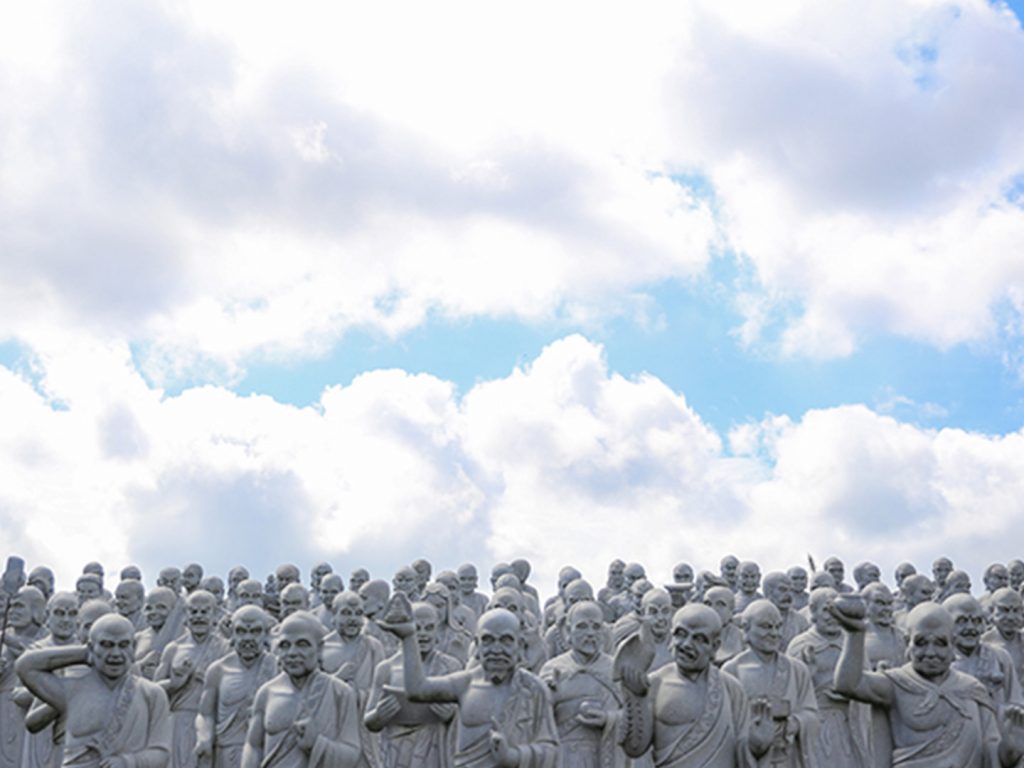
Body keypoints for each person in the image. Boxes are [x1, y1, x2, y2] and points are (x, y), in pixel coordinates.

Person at [833, 601, 1024, 767]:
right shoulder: (896, 683)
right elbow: (849, 684)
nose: (931, 652)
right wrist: (855, 635)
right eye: (921, 642)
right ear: (907, 642)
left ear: (953, 645)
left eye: (940, 643)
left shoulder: (972, 690)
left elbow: (991, 756)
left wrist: (1010, 750)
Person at [382, 603, 559, 768]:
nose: (496, 649)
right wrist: (408, 639)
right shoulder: (465, 683)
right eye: (488, 640)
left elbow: (551, 750)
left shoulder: (532, 690)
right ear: (477, 645)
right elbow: (417, 690)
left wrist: (512, 756)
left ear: (519, 645)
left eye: (505, 640)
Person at [618, 603, 774, 767]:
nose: (686, 644)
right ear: (671, 637)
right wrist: (636, 698)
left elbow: (742, 747)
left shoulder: (731, 688)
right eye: (681, 634)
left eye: (699, 638)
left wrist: (757, 747)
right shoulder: (655, 683)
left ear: (715, 646)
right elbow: (634, 749)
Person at [16, 613, 172, 766]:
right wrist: (84, 655)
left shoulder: (152, 694)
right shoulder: (73, 691)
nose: (116, 654)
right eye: (107, 645)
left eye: (123, 645)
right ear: (91, 647)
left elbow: (161, 753)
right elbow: (25, 667)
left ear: (134, 647)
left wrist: (127, 762)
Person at [241, 612, 363, 767]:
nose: (292, 653)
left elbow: (352, 754)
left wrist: (317, 744)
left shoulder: (340, 692)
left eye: (302, 644)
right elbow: (253, 746)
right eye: (285, 645)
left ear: (320, 649)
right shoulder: (267, 692)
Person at [364, 602, 461, 768]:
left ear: (437, 630)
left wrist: (452, 716)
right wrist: (380, 715)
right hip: (396, 750)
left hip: (435, 750)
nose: (423, 634)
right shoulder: (386, 668)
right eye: (417, 628)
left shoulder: (450, 666)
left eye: (429, 628)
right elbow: (369, 720)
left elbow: (468, 716)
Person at [723, 600, 818, 767]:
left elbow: (811, 713)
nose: (774, 633)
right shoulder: (731, 671)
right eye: (766, 627)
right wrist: (755, 737)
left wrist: (793, 724)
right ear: (746, 629)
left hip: (788, 758)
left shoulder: (797, 669)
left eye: (778, 626)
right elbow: (724, 725)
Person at [786, 588, 867, 767]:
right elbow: (789, 690)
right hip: (816, 726)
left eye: (835, 610)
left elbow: (865, 680)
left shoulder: (852, 643)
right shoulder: (801, 645)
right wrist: (808, 675)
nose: (831, 616)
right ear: (813, 612)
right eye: (825, 610)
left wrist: (852, 693)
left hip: (849, 725)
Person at [539, 601, 624, 768]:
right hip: (564, 758)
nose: (590, 633)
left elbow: (633, 717)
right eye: (582, 626)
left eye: (596, 627)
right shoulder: (553, 669)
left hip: (604, 756)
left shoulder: (615, 669)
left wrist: (609, 719)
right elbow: (538, 721)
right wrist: (547, 694)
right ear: (568, 631)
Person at [155, 590, 231, 768]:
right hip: (179, 722)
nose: (199, 617)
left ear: (214, 615)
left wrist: (211, 681)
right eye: (194, 611)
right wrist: (175, 683)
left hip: (214, 723)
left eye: (204, 612)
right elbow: (153, 691)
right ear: (186, 615)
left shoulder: (224, 647)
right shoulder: (174, 648)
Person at [195, 605, 277, 768]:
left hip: (266, 752)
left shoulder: (275, 667)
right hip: (226, 752)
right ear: (232, 634)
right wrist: (204, 736)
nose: (247, 638)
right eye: (241, 631)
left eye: (255, 631)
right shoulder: (218, 670)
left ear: (265, 634)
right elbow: (205, 714)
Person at [945, 594, 1022, 712]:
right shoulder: (939, 661)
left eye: (976, 621)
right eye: (962, 621)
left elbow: (1016, 702)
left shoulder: (1000, 657)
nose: (971, 627)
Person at [762, 572, 808, 651]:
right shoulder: (757, 618)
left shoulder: (801, 621)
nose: (788, 594)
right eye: (782, 590)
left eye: (790, 590)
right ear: (768, 592)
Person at [701, 587, 744, 667]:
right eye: (708, 604)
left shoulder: (742, 639)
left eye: (720, 604)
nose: (712, 609)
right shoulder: (694, 637)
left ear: (731, 610)